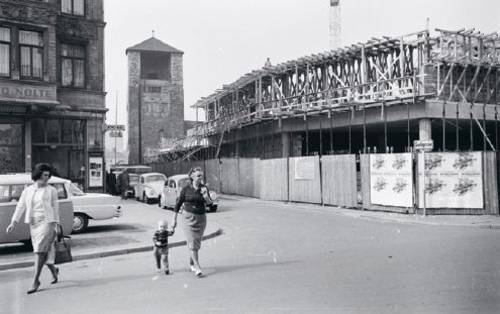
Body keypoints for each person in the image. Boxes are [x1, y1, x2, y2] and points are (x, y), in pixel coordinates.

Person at [6, 163, 61, 294]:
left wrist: (57, 224)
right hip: (34, 223)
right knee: (42, 252)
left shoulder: (52, 190)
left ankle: (36, 280)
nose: (47, 178)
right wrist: (13, 222)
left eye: (49, 175)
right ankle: (53, 269)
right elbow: (20, 206)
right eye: (45, 175)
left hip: (48, 222)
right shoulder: (28, 190)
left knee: (39, 251)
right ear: (38, 175)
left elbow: (55, 208)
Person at [172, 167, 211, 277]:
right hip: (187, 218)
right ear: (192, 177)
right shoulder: (186, 189)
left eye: (201, 176)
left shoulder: (204, 188)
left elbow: (209, 203)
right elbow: (178, 204)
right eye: (198, 176)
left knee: (195, 243)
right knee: (192, 242)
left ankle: (192, 262)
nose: (200, 178)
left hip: (201, 218)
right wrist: (173, 220)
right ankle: (197, 266)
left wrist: (205, 196)